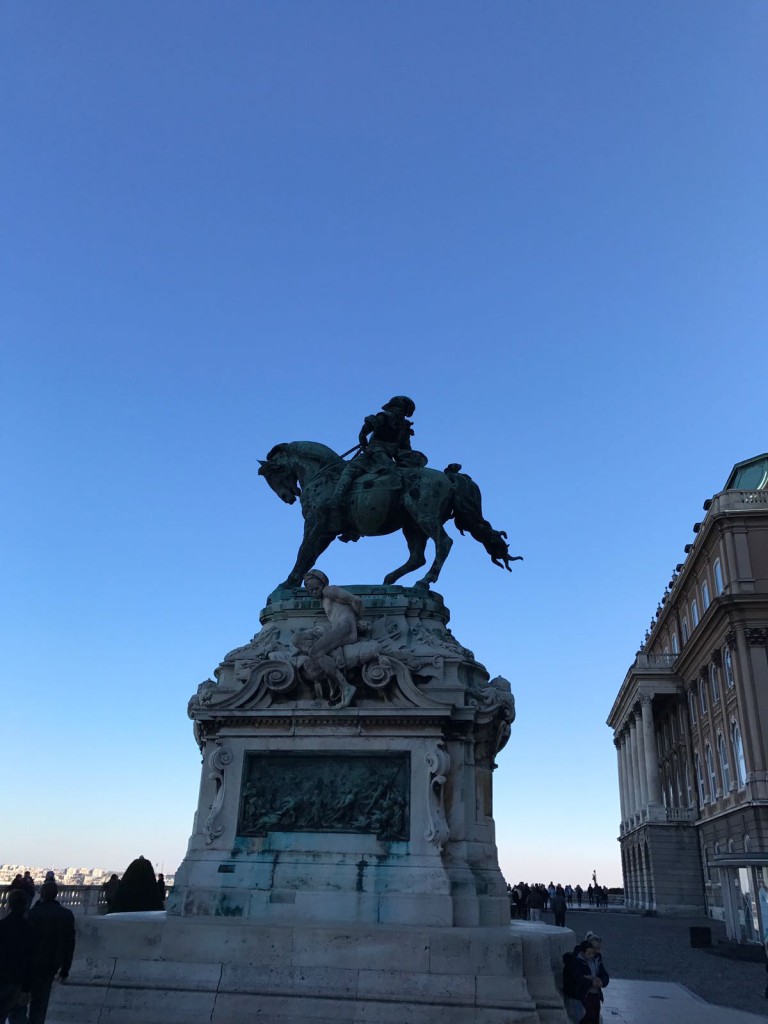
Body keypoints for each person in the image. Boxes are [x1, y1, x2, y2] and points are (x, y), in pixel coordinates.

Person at [330, 396, 425, 512]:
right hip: (387, 455)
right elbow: (405, 448)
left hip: (374, 453)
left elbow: (369, 427)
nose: (399, 412)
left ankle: (336, 499)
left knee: (349, 470)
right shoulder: (404, 426)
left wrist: (363, 436)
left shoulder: (386, 416)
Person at [11, 881, 76, 1024]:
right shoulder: (66, 915)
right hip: (51, 965)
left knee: (20, 1004)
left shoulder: (33, 913)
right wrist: (65, 969)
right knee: (40, 1004)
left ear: (42, 894)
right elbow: (69, 944)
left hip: (29, 965)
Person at [0, 890, 33, 1021]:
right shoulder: (30, 930)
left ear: (9, 905)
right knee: (18, 1017)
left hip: (2, 978)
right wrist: (26, 988)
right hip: (18, 982)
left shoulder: (2, 927)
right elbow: (30, 961)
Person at [563, 939, 609, 1024]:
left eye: (598, 948)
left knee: (595, 1015)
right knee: (589, 1015)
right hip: (583, 993)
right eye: (595, 948)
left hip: (595, 993)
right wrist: (591, 981)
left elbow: (604, 974)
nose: (597, 951)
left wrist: (602, 982)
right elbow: (577, 978)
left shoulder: (597, 959)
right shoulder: (577, 960)